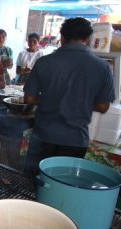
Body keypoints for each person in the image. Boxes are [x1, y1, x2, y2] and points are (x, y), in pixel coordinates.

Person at [23, 17, 115, 178]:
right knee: (63, 185)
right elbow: (103, 106)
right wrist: (79, 101)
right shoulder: (102, 67)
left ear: (62, 37)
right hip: (75, 140)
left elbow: (29, 99)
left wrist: (51, 98)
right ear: (88, 38)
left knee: (33, 181)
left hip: (43, 135)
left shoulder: (44, 62)